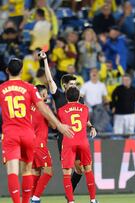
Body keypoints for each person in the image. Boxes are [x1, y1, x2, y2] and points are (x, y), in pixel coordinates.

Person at [0, 58, 73, 203]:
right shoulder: (30, 88)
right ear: (21, 71)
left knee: (13, 172)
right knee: (28, 171)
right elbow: (44, 109)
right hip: (28, 134)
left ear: (7, 71)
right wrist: (59, 125)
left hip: (10, 133)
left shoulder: (0, 89)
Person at [41, 51, 96, 193]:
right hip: (64, 138)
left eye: (75, 84)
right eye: (71, 84)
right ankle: (70, 195)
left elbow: (85, 119)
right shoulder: (58, 96)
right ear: (64, 85)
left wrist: (91, 127)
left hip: (78, 138)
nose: (74, 86)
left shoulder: (79, 99)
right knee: (68, 169)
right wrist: (45, 60)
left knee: (80, 169)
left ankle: (70, 192)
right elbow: (49, 79)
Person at [57, 86, 98, 203]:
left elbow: (58, 125)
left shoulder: (61, 110)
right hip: (82, 141)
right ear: (79, 96)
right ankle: (93, 200)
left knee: (66, 173)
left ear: (66, 96)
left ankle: (70, 201)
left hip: (69, 141)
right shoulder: (85, 109)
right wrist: (91, 127)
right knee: (88, 170)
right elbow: (85, 121)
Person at [30, 85, 53, 203]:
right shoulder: (43, 107)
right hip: (39, 144)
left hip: (29, 144)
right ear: (41, 94)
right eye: (46, 93)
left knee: (36, 172)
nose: (47, 95)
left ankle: (31, 197)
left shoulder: (29, 106)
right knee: (48, 171)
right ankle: (35, 198)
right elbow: (54, 125)